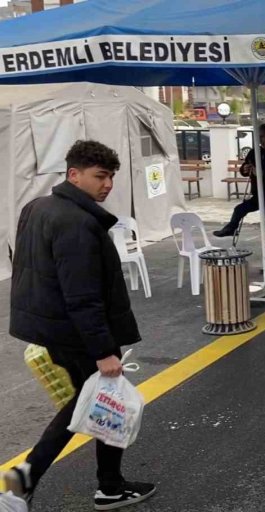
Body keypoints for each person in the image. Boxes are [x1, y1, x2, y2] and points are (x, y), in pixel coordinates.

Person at [3, 141, 156, 509]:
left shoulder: (38, 207)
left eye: (111, 176)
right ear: (74, 174)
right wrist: (104, 351)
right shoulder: (77, 223)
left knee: (99, 403)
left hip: (52, 327)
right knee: (94, 404)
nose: (108, 184)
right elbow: (82, 294)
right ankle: (21, 484)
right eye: (100, 176)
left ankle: (107, 484)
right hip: (77, 333)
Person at [213, 124, 265, 269]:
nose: (260, 140)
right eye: (258, 137)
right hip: (257, 194)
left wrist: (261, 173)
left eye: (262, 137)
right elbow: (244, 167)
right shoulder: (254, 152)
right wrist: (245, 169)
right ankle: (231, 228)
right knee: (239, 209)